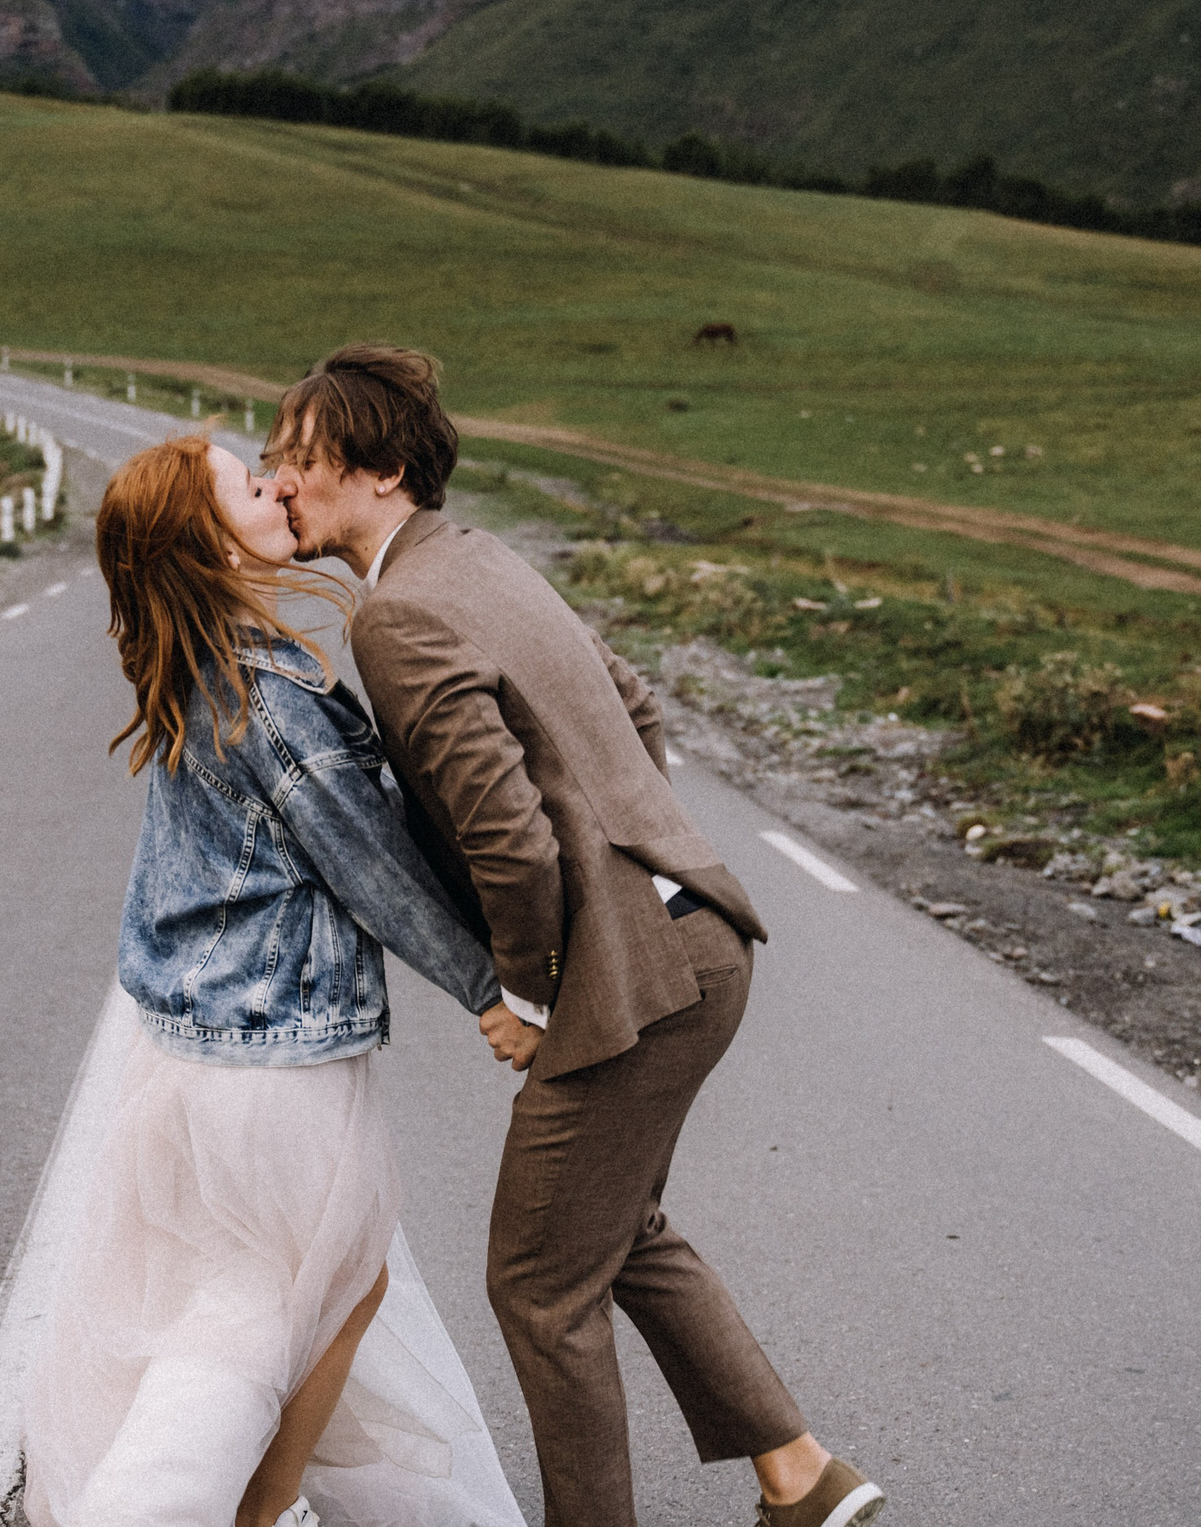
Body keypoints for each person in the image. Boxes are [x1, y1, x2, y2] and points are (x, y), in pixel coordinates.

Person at [267, 346, 886, 1527]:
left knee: (539, 1285)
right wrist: (636, 871)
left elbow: (509, 839)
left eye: (297, 460)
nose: (279, 482)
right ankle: (799, 1477)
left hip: (636, 982)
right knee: (619, 1231)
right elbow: (632, 707)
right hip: (703, 939)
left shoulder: (395, 617)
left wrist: (535, 992)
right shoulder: (483, 559)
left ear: (382, 469)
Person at [21, 434, 524, 1527]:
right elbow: (367, 862)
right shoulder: (268, 690)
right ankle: (190, 1513)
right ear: (209, 539)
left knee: (310, 1290)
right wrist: (488, 992)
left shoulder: (204, 663)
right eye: (251, 488)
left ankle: (260, 1508)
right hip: (271, 1061)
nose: (277, 488)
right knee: (279, 1308)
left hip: (201, 1051)